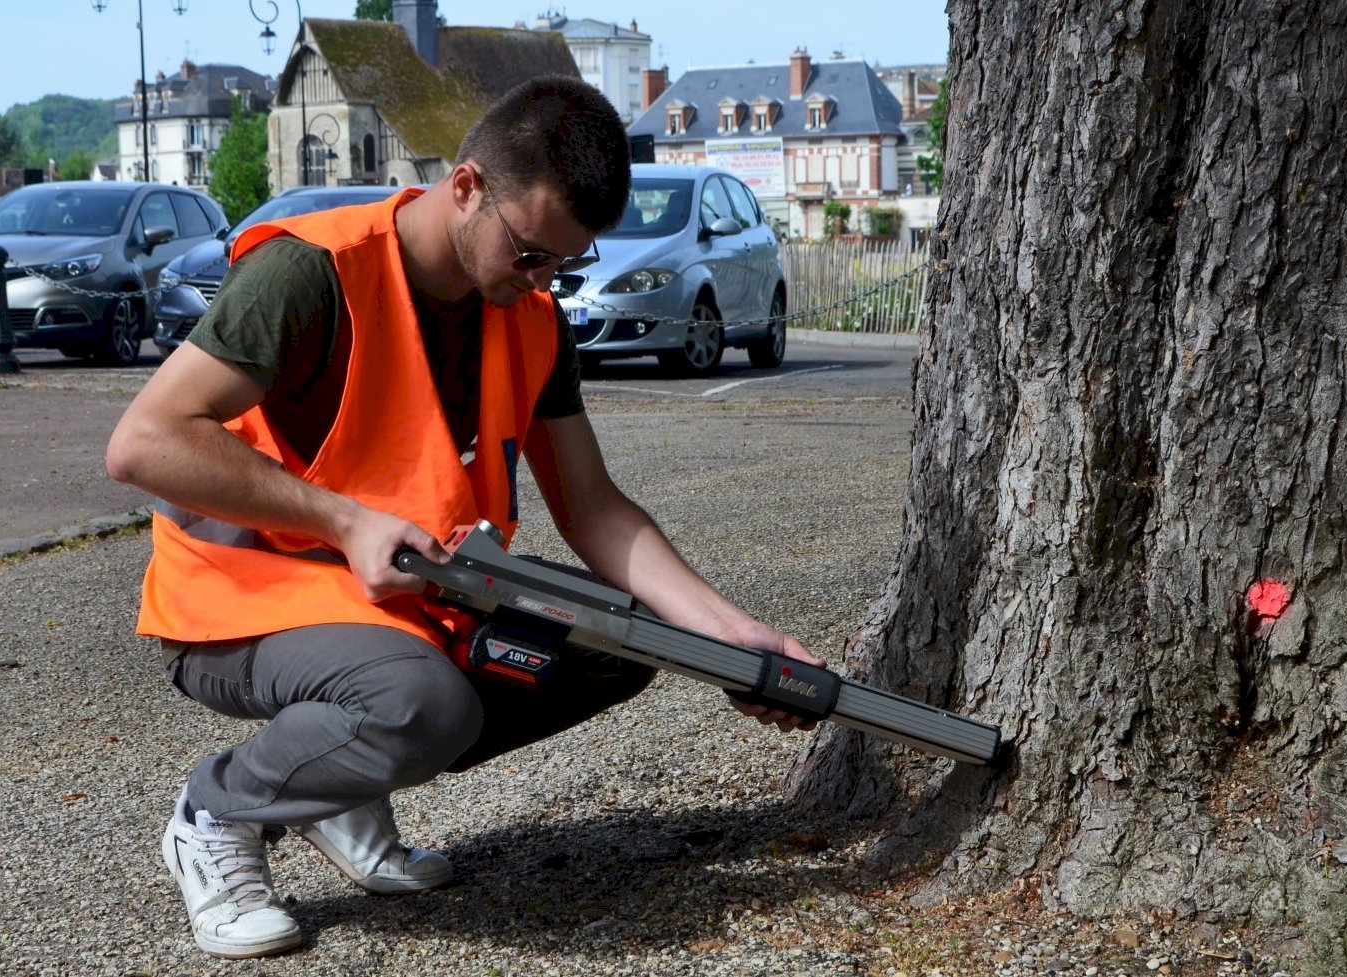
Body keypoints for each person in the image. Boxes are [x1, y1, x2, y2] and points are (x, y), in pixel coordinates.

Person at [106, 75, 823, 961]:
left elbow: (593, 509)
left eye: (566, 263)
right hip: (236, 600)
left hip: (399, 602)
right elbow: (143, 442)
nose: (544, 281)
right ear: (468, 186)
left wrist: (731, 635)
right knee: (419, 704)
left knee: (624, 642)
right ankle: (217, 812)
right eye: (530, 253)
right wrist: (343, 521)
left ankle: (337, 778)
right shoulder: (311, 273)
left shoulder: (530, 318)